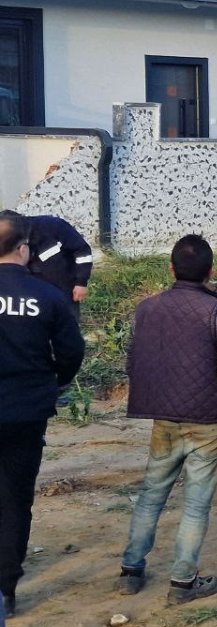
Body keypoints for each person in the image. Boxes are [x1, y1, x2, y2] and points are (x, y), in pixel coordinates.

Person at [116, 234, 217, 606]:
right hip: (209, 421)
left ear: (171, 268)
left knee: (150, 495)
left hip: (164, 420)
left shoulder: (147, 309)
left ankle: (130, 572)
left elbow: (133, 361)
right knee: (195, 505)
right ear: (212, 271)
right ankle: (182, 582)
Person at [0, 212, 84, 618]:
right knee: (15, 500)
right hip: (25, 413)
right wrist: (54, 382)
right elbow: (71, 354)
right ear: (23, 249)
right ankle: (6, 589)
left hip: (24, 408)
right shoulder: (48, 296)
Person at [0, 211, 93, 320]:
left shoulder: (52, 226)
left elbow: (82, 250)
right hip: (28, 294)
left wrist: (81, 283)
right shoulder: (5, 239)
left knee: (67, 325)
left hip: (63, 289)